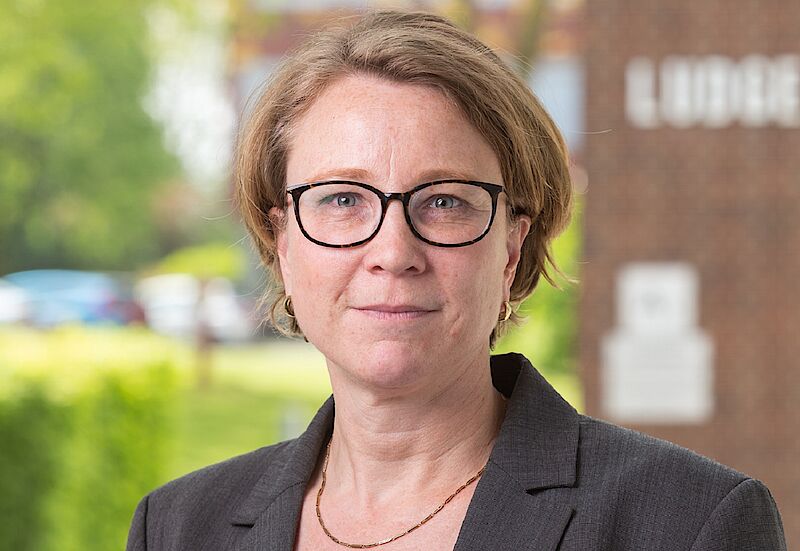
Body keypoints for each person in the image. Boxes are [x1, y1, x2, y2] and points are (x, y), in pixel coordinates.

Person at [126, 10, 786, 551]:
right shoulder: (177, 528)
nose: (393, 251)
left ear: (511, 247)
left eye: (444, 201)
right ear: (282, 243)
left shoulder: (691, 524)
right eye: (342, 198)